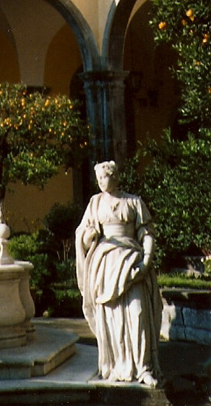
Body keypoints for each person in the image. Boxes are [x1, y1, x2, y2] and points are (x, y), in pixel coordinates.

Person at [76, 160, 162, 387]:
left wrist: (146, 260)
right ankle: (116, 365)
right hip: (106, 266)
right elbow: (83, 235)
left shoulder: (133, 201)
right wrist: (88, 236)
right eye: (98, 178)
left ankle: (143, 368)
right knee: (112, 319)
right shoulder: (95, 203)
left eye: (104, 177)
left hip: (132, 263)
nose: (101, 182)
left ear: (114, 177)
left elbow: (147, 232)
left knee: (138, 314)